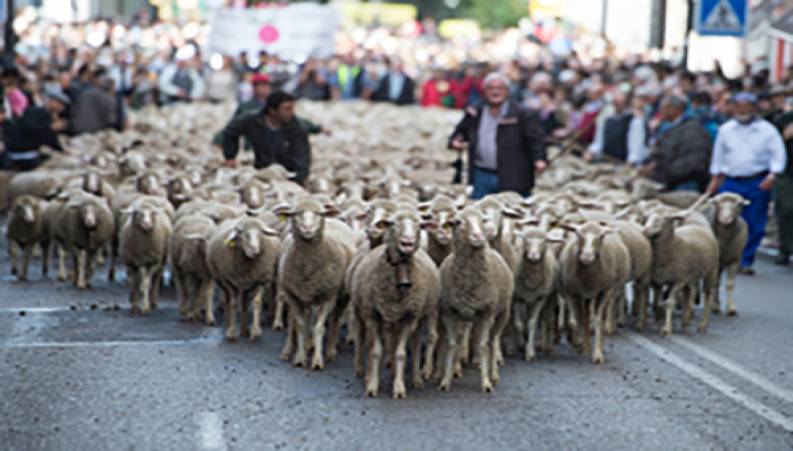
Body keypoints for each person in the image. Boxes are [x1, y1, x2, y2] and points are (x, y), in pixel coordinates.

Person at [707, 92, 788, 275]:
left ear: (753, 108)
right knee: (723, 221)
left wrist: (773, 175)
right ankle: (721, 258)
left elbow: (778, 154)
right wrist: (714, 179)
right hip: (731, 181)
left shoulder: (767, 130)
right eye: (739, 106)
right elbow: (718, 156)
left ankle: (745, 259)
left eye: (747, 106)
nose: (743, 110)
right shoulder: (726, 129)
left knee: (754, 222)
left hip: (756, 180)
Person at [448, 72, 547, 199]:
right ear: (484, 91)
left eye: (500, 88)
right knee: (479, 210)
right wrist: (455, 141)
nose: (495, 92)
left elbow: (536, 139)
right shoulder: (475, 111)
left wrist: (540, 159)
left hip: (513, 175)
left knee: (514, 213)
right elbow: (460, 132)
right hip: (482, 174)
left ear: (507, 91)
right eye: (491, 88)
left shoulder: (521, 113)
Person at [220, 91, 311, 184]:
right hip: (260, 171)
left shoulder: (297, 129)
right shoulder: (252, 121)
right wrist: (230, 156)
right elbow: (230, 131)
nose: (291, 113)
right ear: (272, 110)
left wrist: (299, 178)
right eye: (287, 109)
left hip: (286, 175)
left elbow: (302, 157)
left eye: (292, 108)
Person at [641, 95, 712, 191]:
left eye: (663, 109)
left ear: (674, 109)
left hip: (685, 184)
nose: (660, 112)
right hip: (671, 181)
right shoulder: (672, 126)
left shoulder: (692, 129)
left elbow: (694, 162)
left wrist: (664, 172)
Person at [3, 87, 69, 170]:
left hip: (29, 153)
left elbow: (50, 137)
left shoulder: (47, 116)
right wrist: (50, 127)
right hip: (21, 153)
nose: (61, 107)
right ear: (52, 101)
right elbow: (29, 129)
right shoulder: (34, 111)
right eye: (60, 103)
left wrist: (61, 149)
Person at [585, 89, 647, 165]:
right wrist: (590, 152)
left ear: (627, 102)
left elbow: (635, 149)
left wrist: (630, 163)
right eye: (615, 103)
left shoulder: (634, 121)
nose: (617, 105)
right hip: (602, 161)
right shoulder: (607, 118)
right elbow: (598, 143)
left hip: (620, 164)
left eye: (620, 103)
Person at [772, 100, 793, 266]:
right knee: (786, 208)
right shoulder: (785, 119)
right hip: (789, 170)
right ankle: (785, 248)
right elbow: (773, 142)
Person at [70, 70, 118, 135]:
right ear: (111, 88)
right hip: (94, 133)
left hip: (76, 129)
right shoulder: (110, 100)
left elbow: (73, 111)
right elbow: (111, 120)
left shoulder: (84, 92)